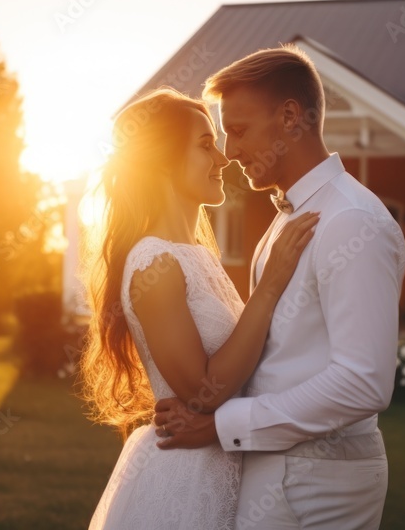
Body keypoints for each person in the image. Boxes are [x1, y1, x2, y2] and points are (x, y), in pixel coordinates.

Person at [153, 45, 405, 529]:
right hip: (286, 470)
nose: (229, 151)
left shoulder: (351, 221)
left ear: (291, 117)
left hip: (316, 480)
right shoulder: (289, 220)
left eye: (240, 130)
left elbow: (364, 381)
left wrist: (220, 426)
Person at [80, 87, 319, 529]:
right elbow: (203, 392)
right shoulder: (154, 263)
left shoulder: (197, 257)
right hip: (184, 480)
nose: (223, 159)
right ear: (162, 160)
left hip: (226, 464)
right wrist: (269, 287)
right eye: (205, 145)